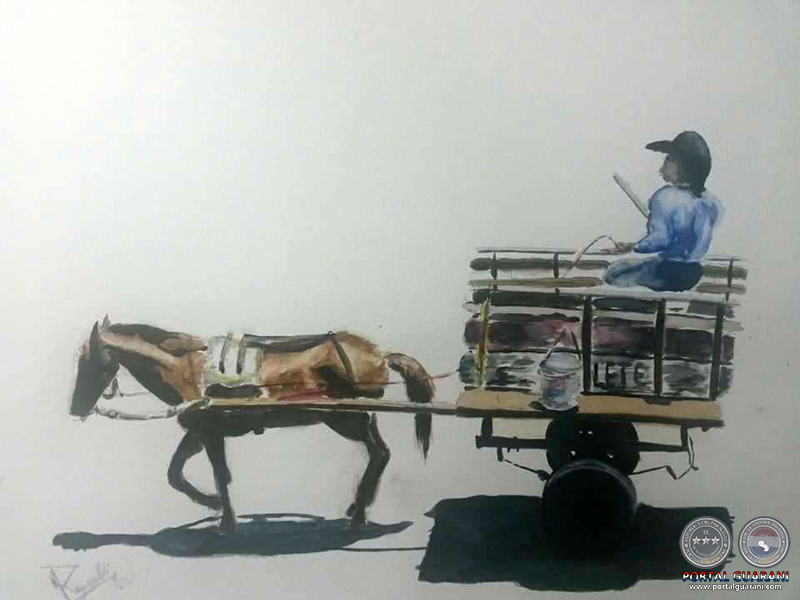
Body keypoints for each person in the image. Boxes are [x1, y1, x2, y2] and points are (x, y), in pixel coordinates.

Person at [603, 131, 723, 292]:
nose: (662, 167)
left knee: (613, 274)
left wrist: (635, 247)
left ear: (684, 165)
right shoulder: (710, 201)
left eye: (669, 159)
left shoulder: (665, 197)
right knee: (637, 266)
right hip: (694, 272)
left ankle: (643, 307)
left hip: (667, 272)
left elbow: (661, 239)